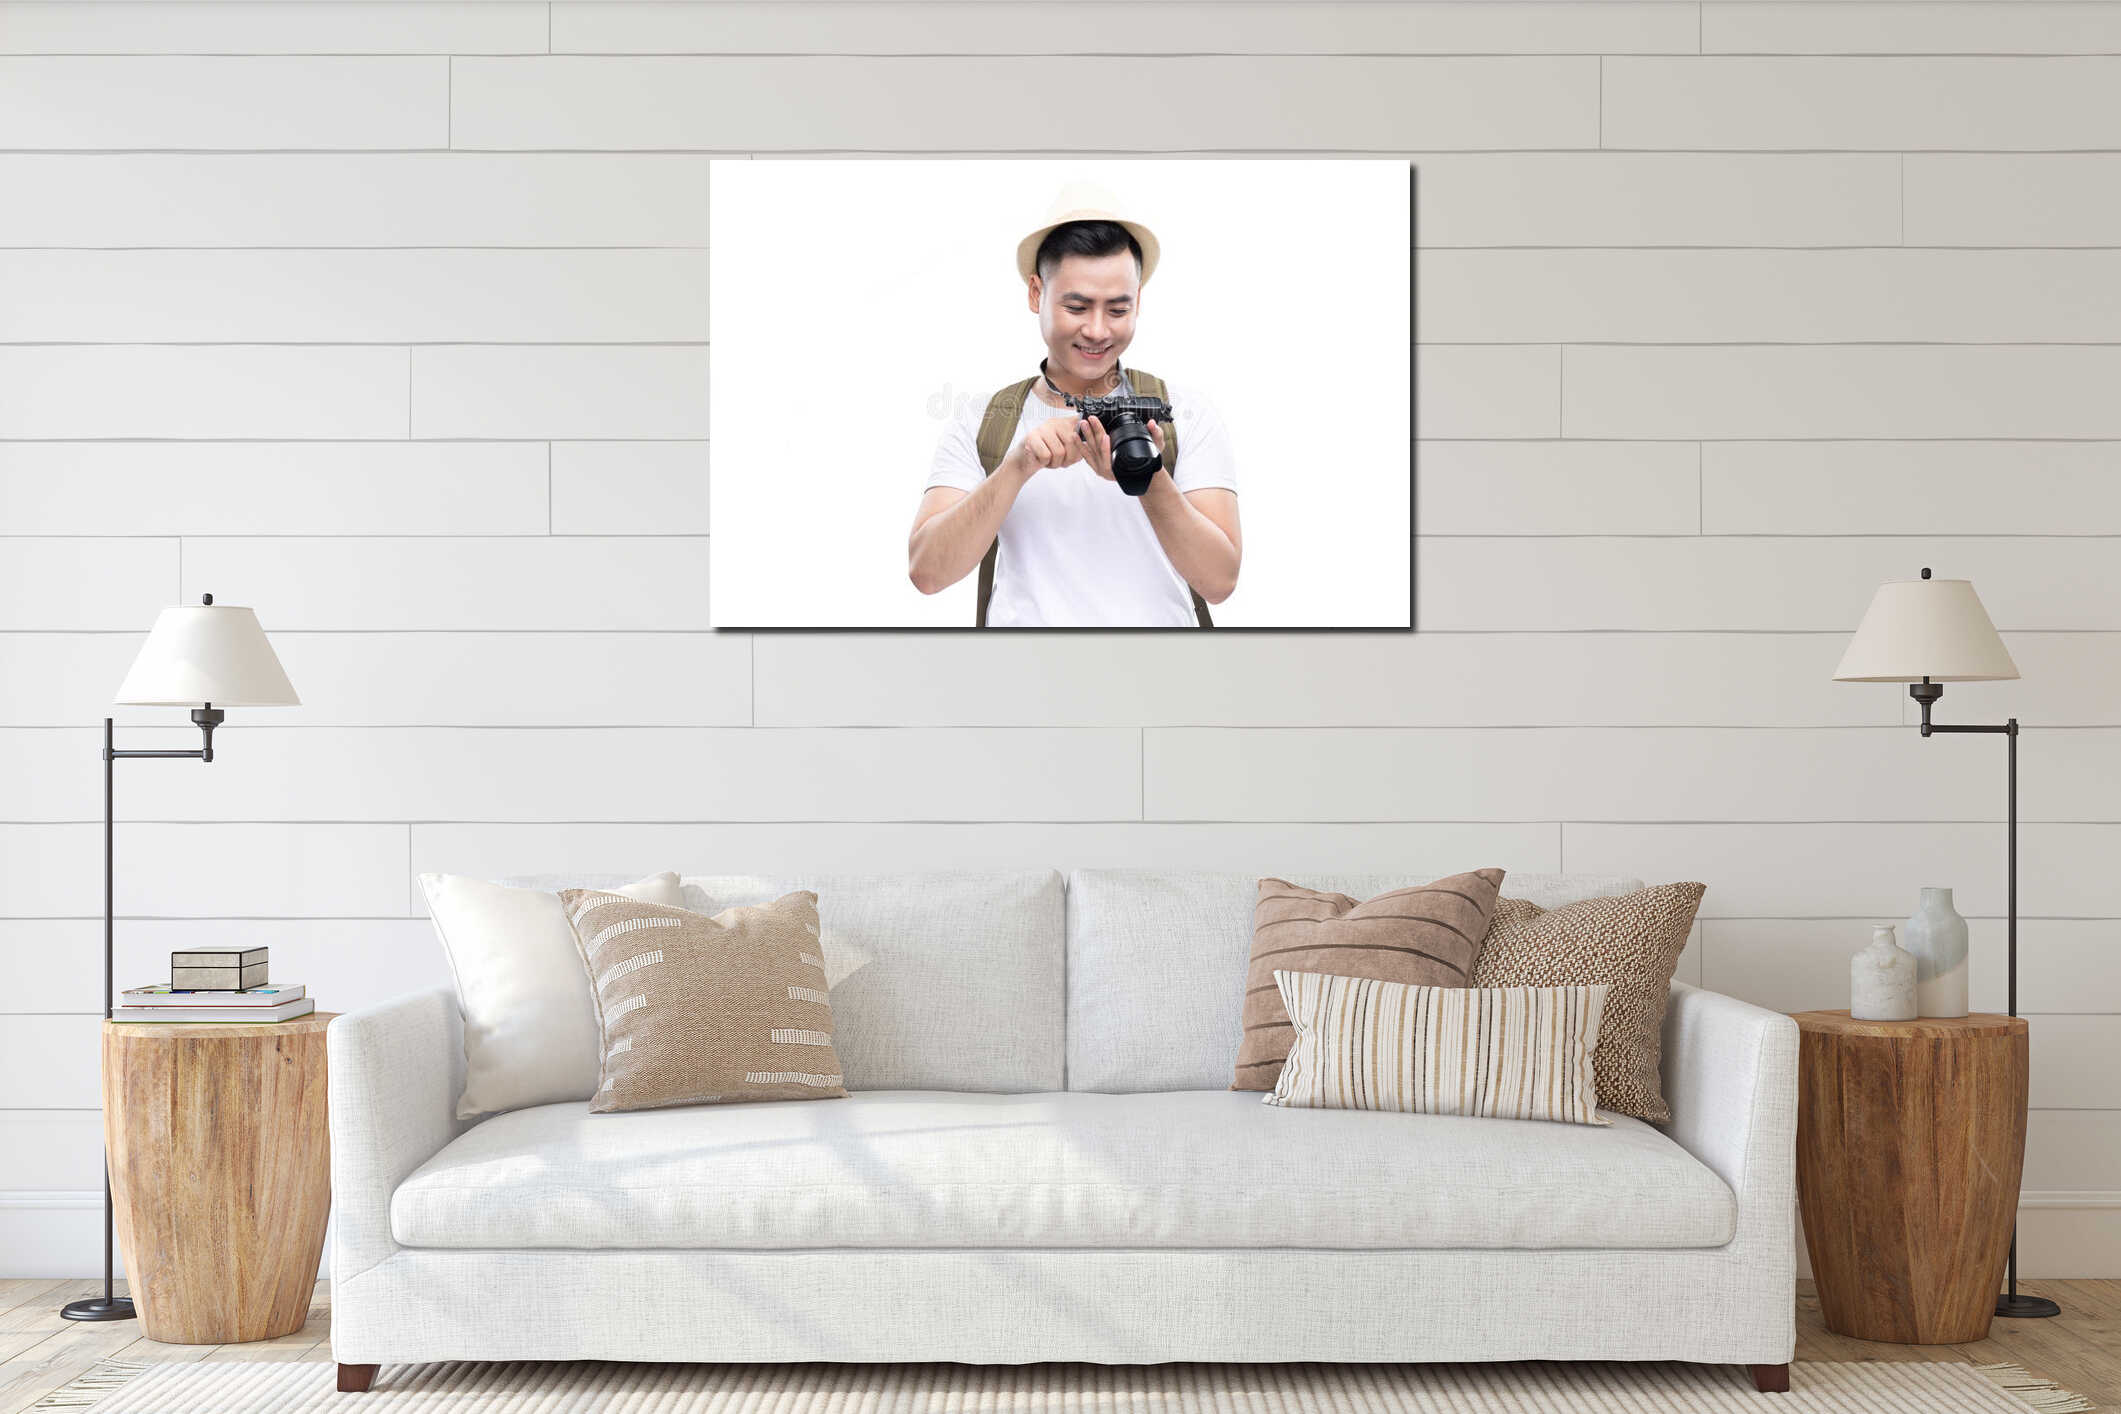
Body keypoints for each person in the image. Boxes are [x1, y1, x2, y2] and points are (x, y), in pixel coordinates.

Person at [907, 183, 1241, 627]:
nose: (1098, 330)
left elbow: (1220, 581)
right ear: (1035, 294)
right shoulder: (984, 420)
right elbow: (927, 572)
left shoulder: (1185, 413)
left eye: (1118, 310)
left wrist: (1148, 477)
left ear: (1138, 300)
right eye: (1077, 306)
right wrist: (1017, 466)